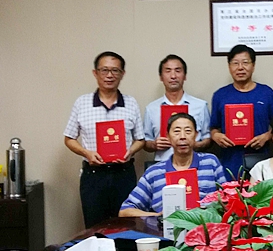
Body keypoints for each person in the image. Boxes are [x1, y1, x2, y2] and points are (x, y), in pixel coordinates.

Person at [64, 51, 145, 228]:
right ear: (95, 73)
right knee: (95, 228)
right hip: (94, 176)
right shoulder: (82, 103)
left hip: (123, 174)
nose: (110, 75)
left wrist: (130, 151)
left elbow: (140, 139)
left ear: (122, 74)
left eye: (115, 70)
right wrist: (86, 152)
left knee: (126, 226)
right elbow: (69, 138)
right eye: (104, 70)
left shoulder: (131, 103)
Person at [119, 113, 226, 216]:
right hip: (164, 227)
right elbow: (125, 210)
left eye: (188, 131)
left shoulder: (210, 162)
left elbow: (228, 199)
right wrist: (158, 215)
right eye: (176, 131)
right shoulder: (154, 172)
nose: (182, 136)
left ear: (196, 135)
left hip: (205, 225)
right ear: (168, 136)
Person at [210, 44, 273, 180]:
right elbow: (213, 127)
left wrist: (266, 136)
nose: (240, 67)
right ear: (229, 67)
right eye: (235, 63)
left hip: (261, 159)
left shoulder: (267, 93)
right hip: (230, 160)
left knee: (261, 192)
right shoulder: (220, 95)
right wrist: (216, 136)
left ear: (253, 65)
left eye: (245, 62)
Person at [143, 54, 211, 161]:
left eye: (178, 71)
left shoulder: (200, 106)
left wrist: (196, 144)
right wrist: (154, 144)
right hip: (163, 164)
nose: (173, 76)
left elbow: (208, 138)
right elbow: (146, 142)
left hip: (195, 163)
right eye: (168, 71)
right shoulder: (151, 109)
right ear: (161, 77)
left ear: (185, 76)